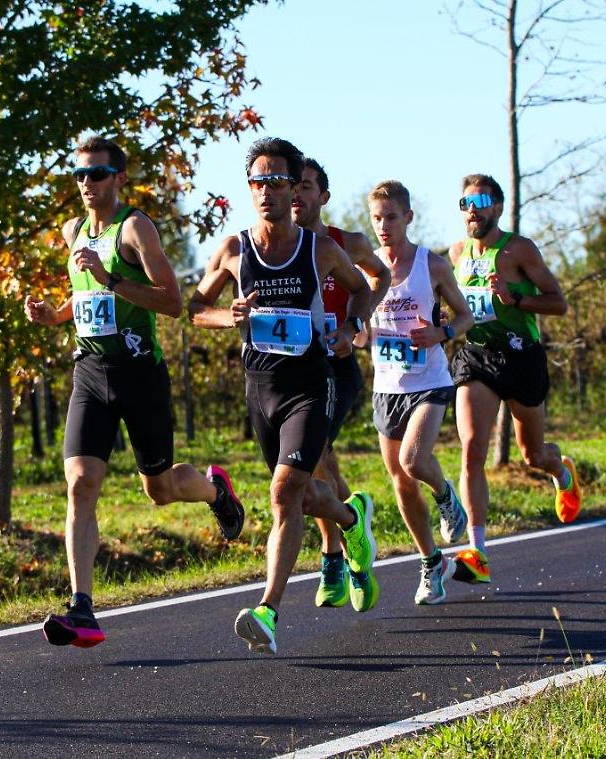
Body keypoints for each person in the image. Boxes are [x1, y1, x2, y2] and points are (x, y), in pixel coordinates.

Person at [23, 135, 245, 648]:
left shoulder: (135, 227)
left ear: (119, 178)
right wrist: (53, 314)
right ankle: (82, 608)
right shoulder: (72, 230)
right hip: (90, 373)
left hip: (140, 373)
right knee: (80, 482)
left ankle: (216, 489)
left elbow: (171, 303)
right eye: (78, 175)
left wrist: (113, 278)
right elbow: (84, 295)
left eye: (96, 174)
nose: (86, 183)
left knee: (161, 489)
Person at [188, 137, 377, 654]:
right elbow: (194, 307)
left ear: (294, 188)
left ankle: (268, 610)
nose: (265, 191)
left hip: (309, 387)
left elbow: (361, 288)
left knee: (282, 492)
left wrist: (350, 325)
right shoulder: (233, 250)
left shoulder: (318, 249)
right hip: (261, 390)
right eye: (257, 181)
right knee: (302, 495)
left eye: (275, 181)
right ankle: (352, 518)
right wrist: (227, 316)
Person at [447, 173, 583, 587]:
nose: (473, 210)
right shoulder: (455, 253)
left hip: (522, 357)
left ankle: (561, 472)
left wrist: (515, 298)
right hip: (477, 357)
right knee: (472, 449)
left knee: (533, 455)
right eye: (465, 203)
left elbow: (558, 303)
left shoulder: (519, 250)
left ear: (498, 207)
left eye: (482, 201)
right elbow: (454, 304)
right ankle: (478, 552)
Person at [366, 181, 474, 605]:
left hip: (429, 381)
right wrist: (354, 335)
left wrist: (440, 332)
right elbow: (360, 323)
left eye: (391, 217)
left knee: (414, 461)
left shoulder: (431, 265)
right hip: (386, 384)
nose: (384, 226)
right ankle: (432, 563)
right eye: (377, 218)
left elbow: (465, 317)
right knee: (401, 483)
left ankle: (448, 498)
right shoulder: (366, 268)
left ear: (408, 217)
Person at [291, 157, 391, 612]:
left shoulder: (345, 242)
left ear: (323, 197)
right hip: (293, 370)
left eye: (307, 186)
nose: (297, 194)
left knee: (315, 456)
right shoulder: (274, 247)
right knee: (313, 464)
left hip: (338, 364)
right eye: (291, 184)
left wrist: (354, 323)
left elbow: (379, 277)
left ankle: (334, 556)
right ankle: (350, 536)